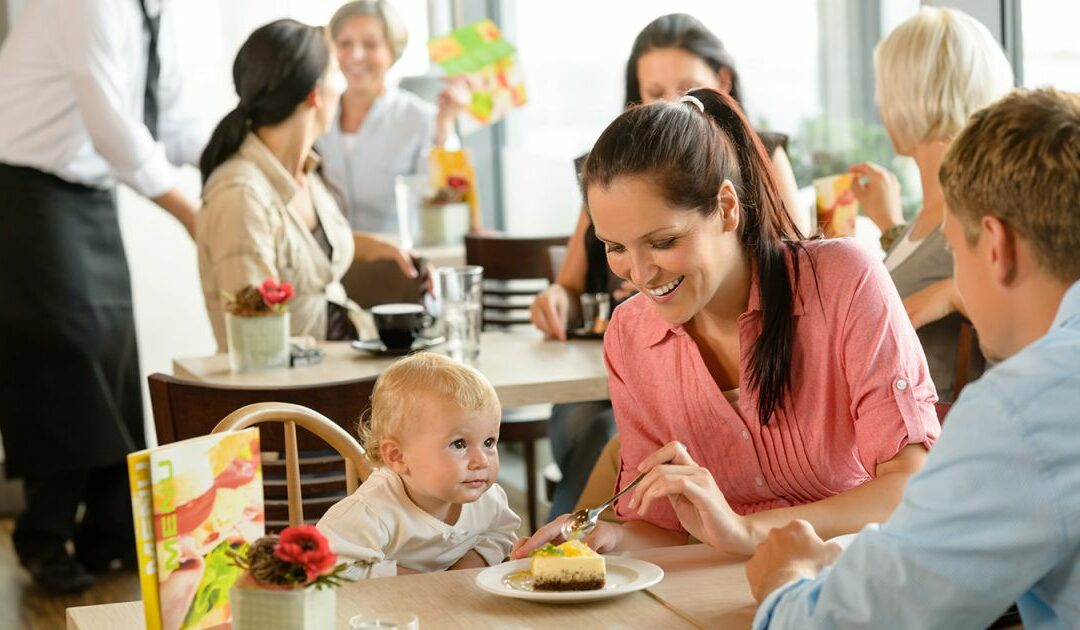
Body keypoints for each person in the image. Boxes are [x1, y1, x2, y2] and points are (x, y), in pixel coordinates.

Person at [513, 88, 940, 559]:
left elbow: (908, 486)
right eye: (615, 247)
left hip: (853, 580)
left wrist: (746, 531)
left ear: (727, 208)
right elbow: (672, 530)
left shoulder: (843, 280)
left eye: (663, 241)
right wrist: (611, 537)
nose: (639, 273)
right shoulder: (630, 336)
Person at [746, 87, 1080, 629]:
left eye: (954, 245)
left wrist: (786, 581)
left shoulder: (1023, 410)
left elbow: (852, 623)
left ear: (994, 245)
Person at [532, 13, 810, 521]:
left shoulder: (763, 163)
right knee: (588, 432)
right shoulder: (613, 175)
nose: (668, 105)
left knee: (602, 435)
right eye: (653, 92)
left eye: (662, 240)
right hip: (640, 359)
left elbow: (790, 257)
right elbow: (570, 281)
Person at [0, 0, 205, 593]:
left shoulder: (159, 11)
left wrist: (243, 156)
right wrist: (189, 213)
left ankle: (111, 534)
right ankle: (44, 534)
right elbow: (110, 120)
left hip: (89, 195)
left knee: (115, 361)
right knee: (64, 358)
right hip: (26, 190)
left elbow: (175, 122)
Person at [197, 19, 416, 349]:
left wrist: (377, 248)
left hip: (342, 364)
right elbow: (258, 346)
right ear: (315, 93)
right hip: (303, 394)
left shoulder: (305, 174)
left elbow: (299, 253)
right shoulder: (240, 196)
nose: (342, 87)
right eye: (335, 74)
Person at [849, 7, 1013, 401]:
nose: (879, 105)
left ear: (907, 94)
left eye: (883, 87)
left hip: (938, 446)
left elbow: (1022, 340)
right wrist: (891, 227)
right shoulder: (931, 217)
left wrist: (954, 293)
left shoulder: (980, 218)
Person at [317, 352, 520, 576]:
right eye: (459, 444)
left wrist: (465, 568)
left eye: (488, 442)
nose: (481, 461)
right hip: (386, 609)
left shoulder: (488, 500)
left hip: (449, 606)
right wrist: (421, 582)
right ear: (398, 456)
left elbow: (500, 533)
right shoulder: (370, 512)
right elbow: (327, 566)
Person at [316, 0, 465, 233]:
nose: (356, 55)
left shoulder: (423, 120)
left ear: (393, 52)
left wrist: (444, 126)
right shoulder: (316, 115)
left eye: (370, 44)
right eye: (345, 43)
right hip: (331, 260)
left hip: (399, 260)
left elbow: (444, 195)